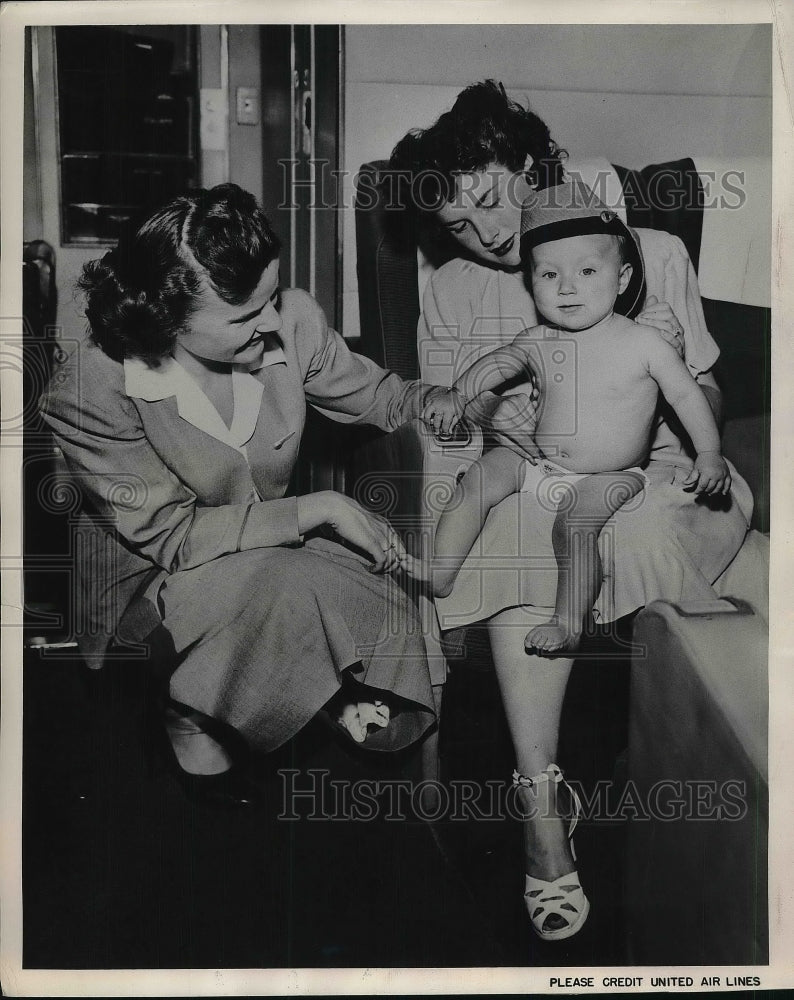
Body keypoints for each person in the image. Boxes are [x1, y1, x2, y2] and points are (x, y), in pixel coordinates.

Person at [390, 80, 753, 940]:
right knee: (517, 534)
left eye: (487, 198)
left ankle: (711, 814)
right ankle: (542, 815)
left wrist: (665, 372)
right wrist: (445, 567)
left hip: (661, 479)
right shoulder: (448, 291)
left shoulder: (652, 252)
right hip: (533, 485)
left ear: (527, 162)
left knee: (640, 528)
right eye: (457, 226)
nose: (484, 235)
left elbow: (709, 397)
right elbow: (449, 443)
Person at [39, 183, 446, 805]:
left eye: (273, 297)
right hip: (147, 585)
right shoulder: (92, 388)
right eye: (244, 317)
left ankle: (316, 724)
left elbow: (382, 396)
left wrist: (458, 402)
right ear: (164, 317)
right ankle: (191, 706)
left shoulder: (290, 318)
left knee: (383, 593)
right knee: (292, 586)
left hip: (266, 552)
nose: (273, 323)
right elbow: (172, 537)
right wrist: (323, 507)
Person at [417, 178, 732, 657]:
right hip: (542, 463)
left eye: (586, 271)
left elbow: (689, 398)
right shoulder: (538, 339)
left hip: (613, 475)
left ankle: (568, 622)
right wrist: (457, 396)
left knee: (575, 526)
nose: (566, 288)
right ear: (532, 281)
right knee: (479, 479)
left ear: (621, 280)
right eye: (548, 276)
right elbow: (494, 366)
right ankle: (440, 574)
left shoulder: (644, 342)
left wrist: (709, 454)